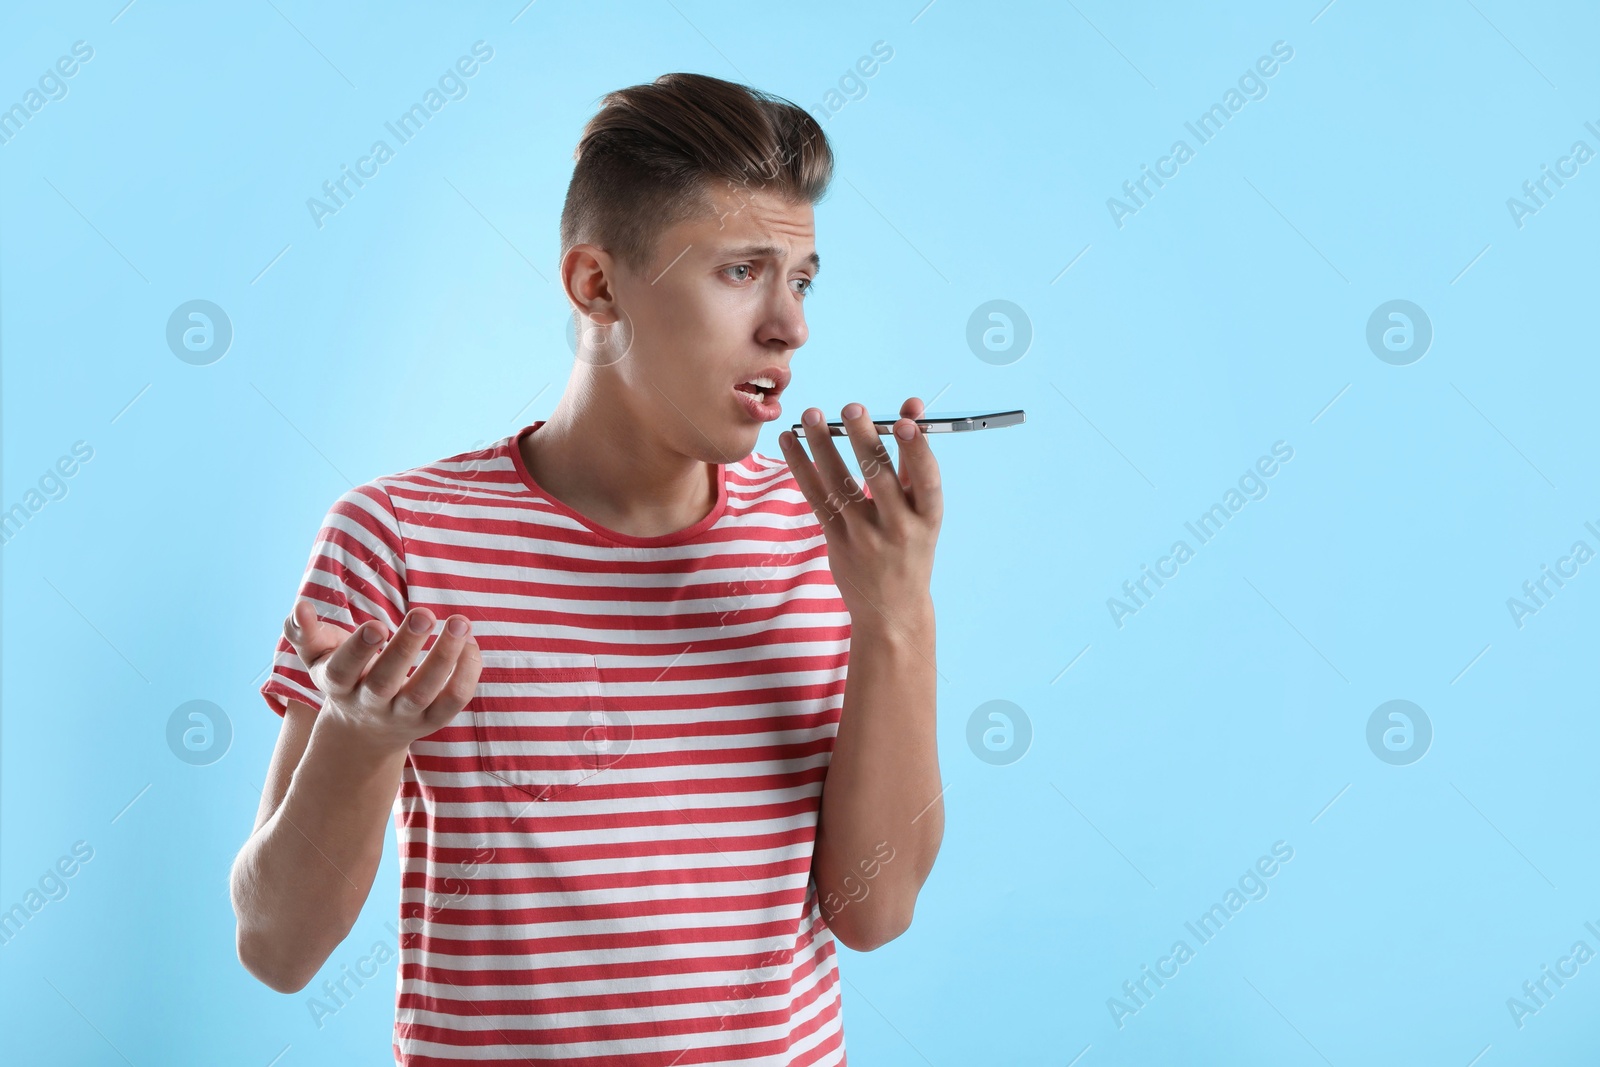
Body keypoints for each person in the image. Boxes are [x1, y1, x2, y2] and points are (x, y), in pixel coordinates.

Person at [230, 71, 945, 1066]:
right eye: (741, 271)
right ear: (596, 285)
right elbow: (275, 946)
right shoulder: (395, 535)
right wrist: (357, 736)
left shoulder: (823, 537)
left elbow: (874, 910)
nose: (791, 327)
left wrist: (896, 616)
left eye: (803, 278)